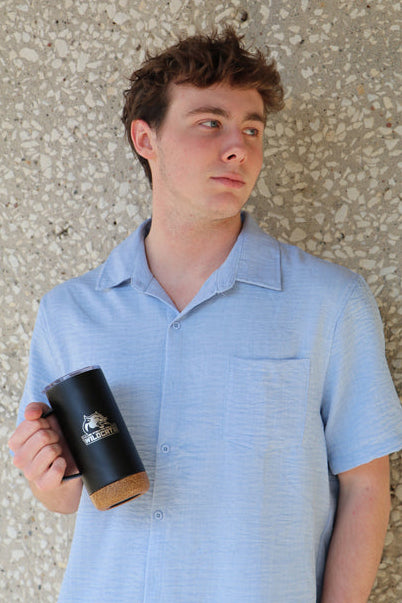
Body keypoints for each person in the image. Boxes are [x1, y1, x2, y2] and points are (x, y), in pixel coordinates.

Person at [8, 28, 402, 603]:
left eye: (252, 129)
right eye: (210, 123)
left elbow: (366, 485)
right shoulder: (70, 312)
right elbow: (66, 495)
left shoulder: (329, 302)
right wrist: (47, 475)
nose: (238, 147)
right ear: (146, 138)